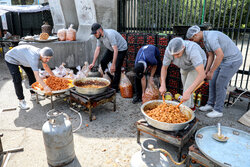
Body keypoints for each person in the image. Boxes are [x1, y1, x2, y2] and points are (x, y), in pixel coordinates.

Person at [186, 25, 243, 118]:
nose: (192, 42)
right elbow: (211, 56)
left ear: (195, 35)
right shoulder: (205, 39)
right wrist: (206, 71)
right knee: (212, 81)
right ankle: (210, 104)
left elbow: (219, 55)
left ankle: (218, 110)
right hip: (224, 60)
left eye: (192, 39)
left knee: (220, 84)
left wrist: (211, 71)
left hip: (233, 60)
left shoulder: (211, 37)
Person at [159, 37, 206, 109]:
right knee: (186, 87)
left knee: (187, 88)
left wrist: (188, 91)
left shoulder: (192, 50)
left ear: (183, 48)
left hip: (196, 67)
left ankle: (184, 112)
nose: (175, 57)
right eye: (173, 55)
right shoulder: (169, 50)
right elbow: (164, 68)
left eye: (177, 54)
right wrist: (162, 84)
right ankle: (191, 107)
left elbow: (202, 74)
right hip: (184, 66)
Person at [5, 45, 54, 110]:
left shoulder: (42, 53)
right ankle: (21, 101)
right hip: (11, 58)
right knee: (17, 79)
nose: (48, 60)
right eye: (47, 58)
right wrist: (45, 87)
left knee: (31, 75)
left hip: (23, 58)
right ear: (41, 56)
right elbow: (37, 76)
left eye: (49, 58)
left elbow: (45, 66)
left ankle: (33, 95)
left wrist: (53, 76)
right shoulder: (34, 58)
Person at [89, 23, 128, 91]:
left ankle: (115, 87)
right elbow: (97, 49)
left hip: (121, 49)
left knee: (117, 66)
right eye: (94, 34)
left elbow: (116, 50)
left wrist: (113, 64)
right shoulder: (99, 37)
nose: (95, 35)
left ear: (100, 30)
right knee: (103, 62)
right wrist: (93, 63)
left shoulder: (110, 35)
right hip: (111, 48)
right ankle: (109, 75)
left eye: (95, 33)